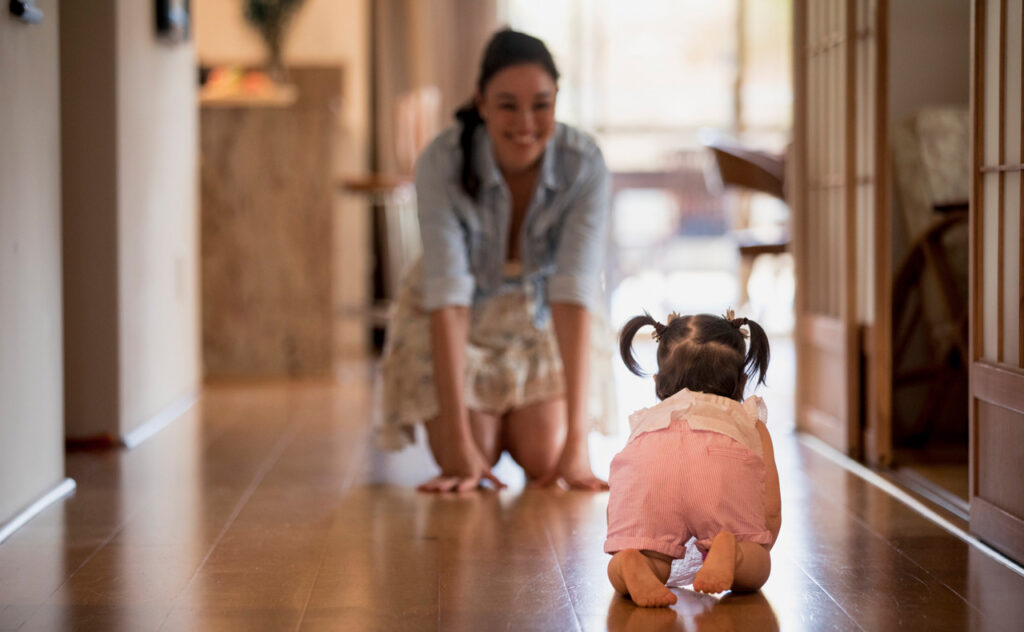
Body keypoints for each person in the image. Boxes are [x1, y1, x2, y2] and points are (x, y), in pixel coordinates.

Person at [376, 28, 616, 493]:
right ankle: (481, 431)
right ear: (481, 103)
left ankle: (522, 424)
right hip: (452, 319)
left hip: (538, 317)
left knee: (546, 453)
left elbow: (572, 296)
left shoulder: (584, 165)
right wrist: (462, 445)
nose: (525, 122)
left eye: (541, 104)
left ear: (557, 101)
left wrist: (577, 451)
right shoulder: (440, 162)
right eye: (507, 105)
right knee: (469, 457)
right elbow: (448, 298)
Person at [604, 310, 782, 607]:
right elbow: (770, 508)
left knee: (648, 557)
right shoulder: (748, 419)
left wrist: (627, 539)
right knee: (755, 567)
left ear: (658, 381)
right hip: (718, 466)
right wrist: (757, 545)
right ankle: (731, 552)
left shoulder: (648, 421)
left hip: (652, 464)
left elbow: (625, 486)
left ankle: (630, 563)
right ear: (741, 383)